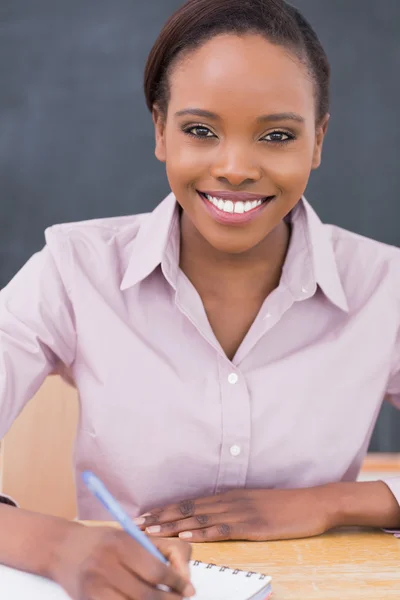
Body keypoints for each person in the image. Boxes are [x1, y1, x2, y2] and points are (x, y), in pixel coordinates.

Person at [1, 0, 400, 597]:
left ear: (317, 140)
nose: (236, 167)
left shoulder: (385, 286)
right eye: (200, 131)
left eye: (276, 135)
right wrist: (55, 545)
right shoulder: (72, 270)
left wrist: (335, 502)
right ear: (160, 130)